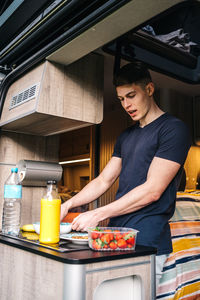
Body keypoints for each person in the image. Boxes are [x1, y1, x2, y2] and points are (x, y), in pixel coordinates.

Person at [60, 61, 191, 289]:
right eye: (121, 99)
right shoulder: (126, 136)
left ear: (149, 89)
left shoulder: (173, 129)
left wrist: (97, 213)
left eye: (131, 95)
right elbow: (104, 180)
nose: (126, 105)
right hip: (115, 237)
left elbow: (153, 190)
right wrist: (67, 204)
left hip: (146, 240)